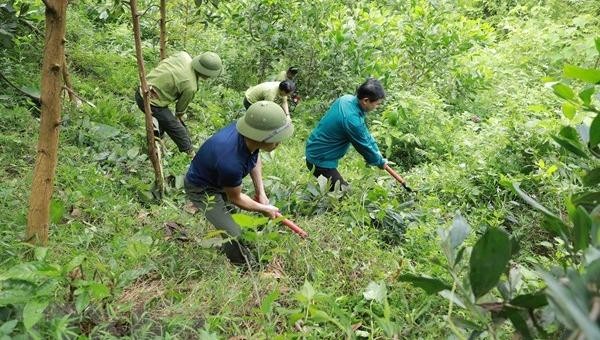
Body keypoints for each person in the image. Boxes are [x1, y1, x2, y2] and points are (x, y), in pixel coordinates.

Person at [184, 101, 294, 267]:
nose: (279, 143)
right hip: (202, 188)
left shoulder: (249, 134)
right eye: (276, 140)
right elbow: (236, 198)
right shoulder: (230, 162)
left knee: (235, 219)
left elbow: (254, 158)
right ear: (261, 138)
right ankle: (246, 268)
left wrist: (261, 193)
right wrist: (265, 209)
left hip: (220, 180)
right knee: (232, 232)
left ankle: (241, 247)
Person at [305, 78, 387, 191]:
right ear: (365, 100)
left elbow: (365, 134)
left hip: (314, 148)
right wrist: (378, 161)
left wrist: (378, 154)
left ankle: (324, 189)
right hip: (320, 161)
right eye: (377, 104)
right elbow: (364, 147)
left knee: (334, 188)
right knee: (344, 194)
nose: (377, 107)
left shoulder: (346, 99)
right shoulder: (351, 120)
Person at [135, 51, 222, 156]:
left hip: (143, 87)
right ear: (207, 74)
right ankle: (190, 153)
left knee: (163, 122)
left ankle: (156, 145)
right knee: (177, 128)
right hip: (149, 101)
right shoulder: (191, 87)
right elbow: (180, 110)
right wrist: (180, 121)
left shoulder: (183, 55)